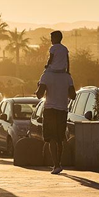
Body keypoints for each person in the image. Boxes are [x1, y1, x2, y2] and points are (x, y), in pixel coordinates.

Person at [36, 30, 76, 175]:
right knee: (59, 138)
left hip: (50, 109)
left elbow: (39, 95)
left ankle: (56, 164)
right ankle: (59, 163)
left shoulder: (46, 75)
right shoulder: (67, 77)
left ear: (54, 38)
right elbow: (73, 96)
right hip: (62, 109)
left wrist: (38, 84)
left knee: (51, 138)